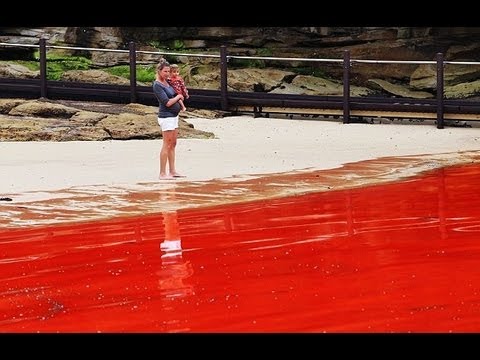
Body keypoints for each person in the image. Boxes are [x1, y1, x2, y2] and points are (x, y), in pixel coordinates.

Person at [153, 61, 185, 179]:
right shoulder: (157, 85)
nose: (167, 74)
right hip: (166, 117)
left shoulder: (167, 82)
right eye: (165, 71)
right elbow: (167, 102)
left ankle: (172, 171)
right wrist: (178, 97)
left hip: (174, 116)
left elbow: (176, 90)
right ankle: (162, 173)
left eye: (168, 71)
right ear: (159, 71)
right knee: (167, 144)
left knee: (173, 143)